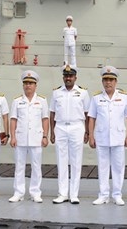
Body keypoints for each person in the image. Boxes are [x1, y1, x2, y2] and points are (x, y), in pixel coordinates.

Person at [88, 66, 127, 206]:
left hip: (118, 137)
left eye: (111, 80)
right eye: (106, 80)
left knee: (118, 167)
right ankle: (103, 195)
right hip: (101, 137)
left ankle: (117, 195)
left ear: (116, 82)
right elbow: (91, 118)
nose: (108, 83)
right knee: (102, 167)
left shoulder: (124, 97)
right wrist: (91, 136)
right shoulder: (96, 98)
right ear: (102, 82)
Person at [50, 65, 91, 204]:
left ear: (75, 77)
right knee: (61, 161)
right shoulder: (56, 93)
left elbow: (87, 113)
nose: (68, 78)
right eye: (66, 76)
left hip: (77, 127)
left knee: (76, 161)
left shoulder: (83, 93)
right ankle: (62, 193)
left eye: (71, 76)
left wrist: (87, 131)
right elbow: (52, 113)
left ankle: (74, 194)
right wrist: (52, 130)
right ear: (63, 77)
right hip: (60, 127)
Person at [9, 71, 50, 203]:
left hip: (36, 138)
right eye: (26, 83)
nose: (28, 86)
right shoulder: (17, 101)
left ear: (35, 85)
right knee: (19, 167)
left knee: (36, 167)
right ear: (23, 85)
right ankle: (18, 192)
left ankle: (35, 192)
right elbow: (13, 120)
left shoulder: (42, 101)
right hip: (20, 138)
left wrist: (45, 136)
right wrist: (13, 136)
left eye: (31, 83)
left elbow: (45, 119)